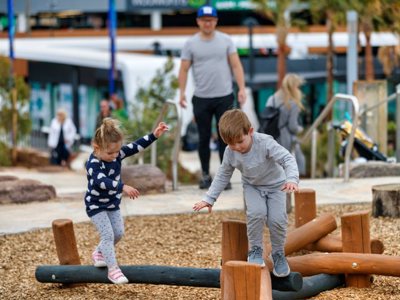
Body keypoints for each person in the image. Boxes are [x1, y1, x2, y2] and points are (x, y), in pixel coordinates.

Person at [193, 109, 299, 277]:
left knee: (277, 220)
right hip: (252, 187)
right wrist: (210, 198)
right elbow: (223, 175)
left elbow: (287, 159)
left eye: (240, 141)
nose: (236, 147)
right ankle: (255, 250)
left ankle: (278, 253)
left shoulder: (265, 143)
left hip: (276, 186)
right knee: (256, 214)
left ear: (250, 131)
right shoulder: (230, 152)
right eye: (230, 144)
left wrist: (292, 179)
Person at [86, 118, 168, 284]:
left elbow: (135, 147)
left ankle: (99, 253)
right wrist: (122, 187)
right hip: (96, 206)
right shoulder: (93, 163)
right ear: (97, 147)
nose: (115, 156)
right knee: (108, 235)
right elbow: (100, 181)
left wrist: (154, 135)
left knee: (119, 233)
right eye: (110, 153)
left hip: (112, 204)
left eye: (117, 152)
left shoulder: (116, 154)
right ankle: (113, 270)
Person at [178, 5, 247, 190]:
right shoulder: (191, 43)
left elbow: (236, 65)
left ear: (215, 21)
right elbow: (184, 68)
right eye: (204, 20)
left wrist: (242, 88)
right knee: (203, 138)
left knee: (226, 139)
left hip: (224, 96)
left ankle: (224, 177)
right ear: (198, 21)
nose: (207, 23)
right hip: (201, 97)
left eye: (211, 20)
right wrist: (182, 92)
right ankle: (206, 174)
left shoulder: (225, 40)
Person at [265, 73, 306, 175]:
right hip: (285, 138)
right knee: (293, 162)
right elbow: (293, 127)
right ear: (294, 87)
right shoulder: (292, 103)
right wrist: (300, 129)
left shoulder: (272, 98)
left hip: (271, 135)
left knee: (275, 166)